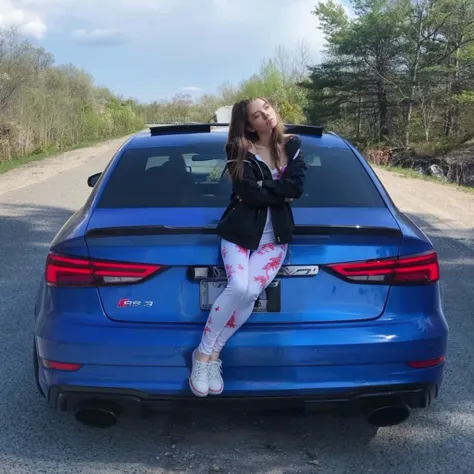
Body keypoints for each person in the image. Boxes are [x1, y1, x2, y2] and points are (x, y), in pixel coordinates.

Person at [189, 97, 307, 397]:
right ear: (248, 124)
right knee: (239, 286)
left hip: (275, 238)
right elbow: (248, 193)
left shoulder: (292, 144)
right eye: (257, 114)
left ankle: (212, 355)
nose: (266, 116)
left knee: (252, 292)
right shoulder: (239, 149)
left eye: (267, 108)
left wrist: (265, 188)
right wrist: (278, 191)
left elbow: (297, 187)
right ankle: (202, 354)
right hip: (240, 233)